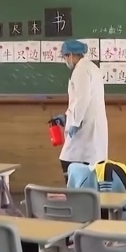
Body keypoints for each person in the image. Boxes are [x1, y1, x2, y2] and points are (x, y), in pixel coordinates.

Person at [53, 39, 108, 181]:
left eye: (65, 56)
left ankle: (75, 194)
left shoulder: (81, 70)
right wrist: (67, 116)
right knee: (91, 169)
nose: (65, 60)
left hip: (84, 129)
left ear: (71, 55)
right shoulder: (91, 67)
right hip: (91, 128)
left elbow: (81, 100)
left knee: (69, 162)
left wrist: (73, 123)